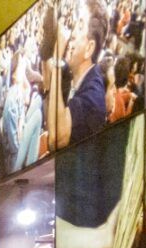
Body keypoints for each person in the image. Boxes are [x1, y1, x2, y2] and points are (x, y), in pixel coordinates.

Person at [49, 0, 108, 148]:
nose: (72, 34)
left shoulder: (93, 98)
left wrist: (56, 60)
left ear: (89, 48)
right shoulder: (71, 74)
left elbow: (55, 139)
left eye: (79, 26)